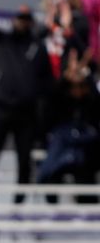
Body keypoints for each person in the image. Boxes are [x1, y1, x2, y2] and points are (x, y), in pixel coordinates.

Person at [0, 0, 53, 204]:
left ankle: (19, 201)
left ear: (31, 22)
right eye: (19, 18)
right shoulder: (1, 40)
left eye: (26, 19)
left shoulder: (38, 47)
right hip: (0, 108)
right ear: (13, 20)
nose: (22, 22)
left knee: (24, 158)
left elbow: (47, 80)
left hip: (26, 112)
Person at [38, 48, 100, 204]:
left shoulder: (91, 100)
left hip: (86, 154)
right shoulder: (60, 99)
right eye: (74, 86)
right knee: (53, 172)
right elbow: (48, 105)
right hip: (62, 151)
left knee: (85, 173)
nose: (77, 90)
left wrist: (86, 75)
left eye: (81, 86)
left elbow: (96, 104)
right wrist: (66, 78)